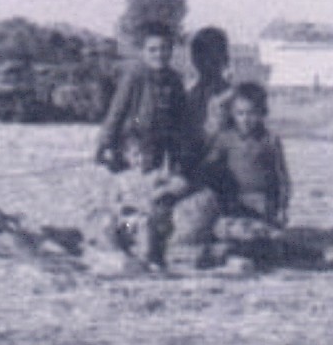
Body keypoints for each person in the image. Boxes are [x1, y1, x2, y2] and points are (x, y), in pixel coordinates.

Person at [94, 21, 190, 269]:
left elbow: (181, 121)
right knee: (128, 195)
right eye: (153, 50)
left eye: (164, 49)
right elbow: (117, 111)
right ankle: (124, 236)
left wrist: (181, 154)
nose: (159, 55)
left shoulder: (174, 81)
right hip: (131, 145)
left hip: (160, 149)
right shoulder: (134, 77)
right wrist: (105, 142)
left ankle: (150, 244)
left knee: (153, 196)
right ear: (143, 51)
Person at [201, 82, 290, 228]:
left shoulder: (270, 140)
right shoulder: (225, 138)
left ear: (262, 112)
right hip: (234, 201)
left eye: (252, 113)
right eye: (240, 113)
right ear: (232, 114)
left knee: (264, 239)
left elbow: (282, 178)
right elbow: (209, 167)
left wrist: (283, 208)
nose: (246, 119)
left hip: (263, 202)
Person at [183, 27, 234, 177]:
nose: (206, 64)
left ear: (224, 59)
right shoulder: (189, 96)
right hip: (193, 167)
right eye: (200, 58)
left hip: (225, 171)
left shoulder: (233, 96)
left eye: (213, 58)